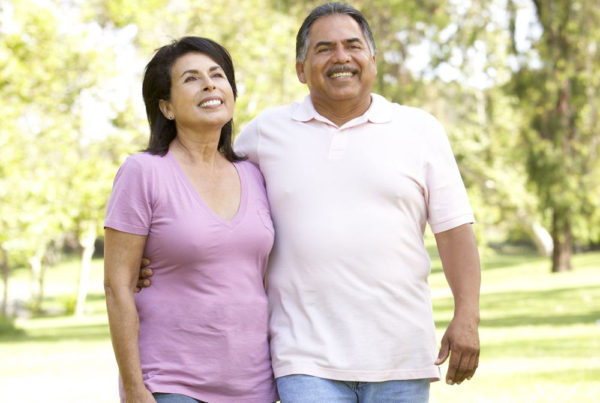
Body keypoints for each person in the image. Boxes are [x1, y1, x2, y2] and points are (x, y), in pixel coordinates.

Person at [140, 3, 481, 402]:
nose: (341, 57)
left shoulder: (420, 130)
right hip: (303, 359)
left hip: (401, 356)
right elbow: (202, 186)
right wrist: (151, 258)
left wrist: (467, 316)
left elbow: (454, 231)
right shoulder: (266, 134)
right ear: (301, 69)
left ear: (372, 58)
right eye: (324, 48)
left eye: (353, 45)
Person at [103, 36, 278, 403]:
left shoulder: (254, 173)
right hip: (172, 383)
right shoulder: (143, 173)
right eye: (191, 78)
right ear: (166, 106)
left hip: (256, 386)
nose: (210, 84)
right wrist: (135, 389)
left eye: (217, 74)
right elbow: (117, 286)